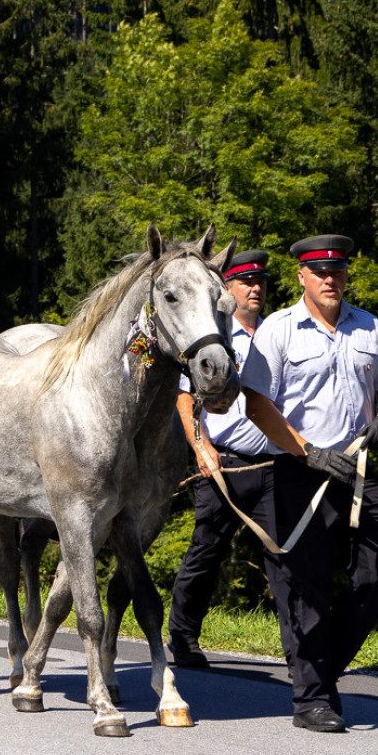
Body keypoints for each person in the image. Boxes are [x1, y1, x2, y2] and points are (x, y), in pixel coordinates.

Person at [236, 234, 378, 734]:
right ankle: (311, 699)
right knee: (305, 587)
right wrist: (306, 450)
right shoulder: (279, 330)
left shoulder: (369, 327)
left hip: (356, 470)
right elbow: (256, 403)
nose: (330, 279)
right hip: (299, 469)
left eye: (337, 271)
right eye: (320, 272)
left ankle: (322, 669)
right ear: (302, 277)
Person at [163, 248, 281, 667]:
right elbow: (183, 396)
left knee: (282, 555)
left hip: (270, 463)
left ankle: (299, 648)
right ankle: (183, 637)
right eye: (246, 282)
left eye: (260, 282)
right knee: (207, 552)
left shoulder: (275, 332)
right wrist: (201, 447)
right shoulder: (210, 334)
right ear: (226, 289)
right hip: (223, 463)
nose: (255, 288)